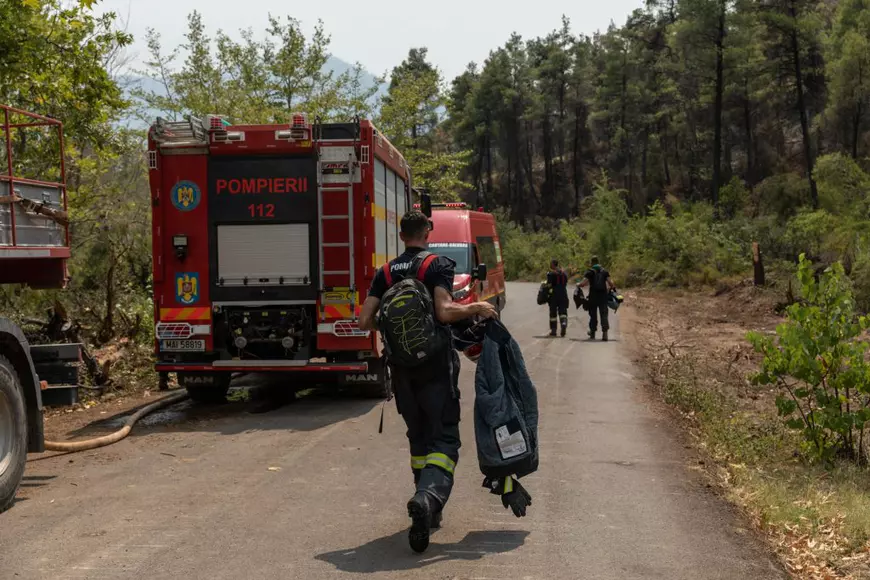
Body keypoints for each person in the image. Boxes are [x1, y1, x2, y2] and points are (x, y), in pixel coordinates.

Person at [359, 210, 497, 554]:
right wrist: (477, 307)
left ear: (401, 235)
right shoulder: (437, 265)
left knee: (418, 436)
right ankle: (427, 498)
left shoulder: (385, 272)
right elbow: (444, 312)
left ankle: (428, 511)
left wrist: (392, 329)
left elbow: (364, 320)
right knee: (444, 438)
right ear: (428, 232)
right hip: (435, 368)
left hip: (401, 371)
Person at [577, 256, 615, 341]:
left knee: (593, 315)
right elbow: (610, 283)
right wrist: (610, 289)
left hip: (593, 296)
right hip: (603, 297)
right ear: (598, 262)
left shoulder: (590, 272)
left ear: (592, 263)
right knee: (604, 314)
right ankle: (605, 333)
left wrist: (578, 284)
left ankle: (592, 332)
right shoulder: (604, 271)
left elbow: (583, 283)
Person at [546, 259, 569, 337]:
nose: (550, 265)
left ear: (553, 264)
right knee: (563, 312)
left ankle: (553, 330)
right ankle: (564, 324)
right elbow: (565, 283)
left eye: (551, 263)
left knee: (553, 313)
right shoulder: (564, 274)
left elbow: (549, 285)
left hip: (554, 295)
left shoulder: (551, 274)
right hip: (563, 294)